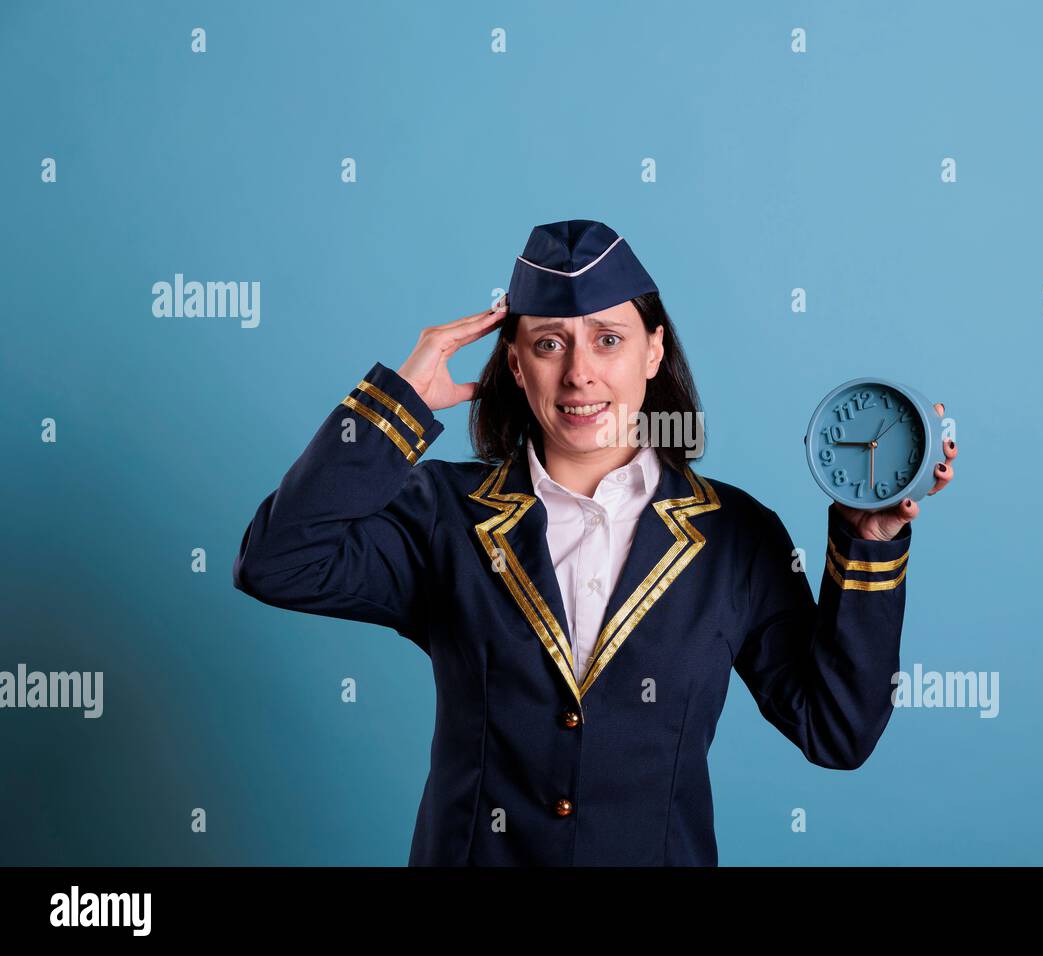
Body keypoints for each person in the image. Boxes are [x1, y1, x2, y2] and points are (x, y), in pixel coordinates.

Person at [232, 218, 958, 866]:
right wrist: (398, 403)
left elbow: (835, 732)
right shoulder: (442, 514)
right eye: (549, 344)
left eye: (609, 340)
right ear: (515, 366)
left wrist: (872, 539)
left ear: (653, 352)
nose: (580, 372)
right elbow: (277, 563)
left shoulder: (733, 535)